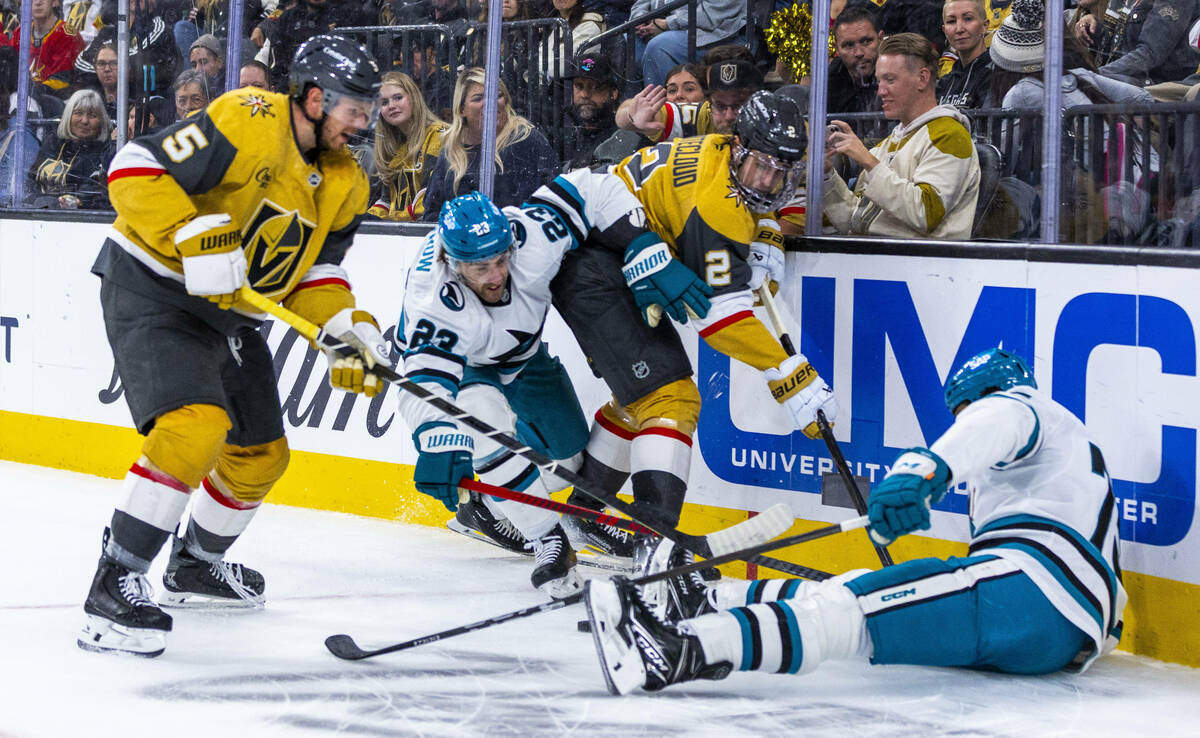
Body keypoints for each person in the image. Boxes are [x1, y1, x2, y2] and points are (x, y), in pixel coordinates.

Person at [79, 35, 389, 658]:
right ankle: (113, 586)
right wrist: (191, 233)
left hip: (231, 318)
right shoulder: (245, 117)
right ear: (313, 98)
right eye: (354, 109)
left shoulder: (347, 182)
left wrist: (345, 329)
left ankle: (194, 565)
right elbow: (133, 167)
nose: (363, 123)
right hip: (155, 287)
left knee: (261, 455)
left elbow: (316, 271)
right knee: (194, 429)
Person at [585, 347, 1127, 695]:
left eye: (962, 412)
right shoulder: (1060, 466)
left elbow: (994, 421)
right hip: (1047, 628)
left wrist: (921, 471)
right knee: (858, 594)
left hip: (1035, 592)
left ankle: (685, 649)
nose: (960, 422)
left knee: (849, 608)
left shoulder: (1020, 406)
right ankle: (711, 599)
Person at [546, 91, 837, 556]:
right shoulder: (714, 204)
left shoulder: (720, 152)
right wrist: (789, 374)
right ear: (739, 147)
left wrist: (766, 231)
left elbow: (755, 203)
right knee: (673, 399)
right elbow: (720, 317)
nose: (768, 181)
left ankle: (584, 516)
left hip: (607, 254)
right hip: (596, 262)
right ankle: (656, 545)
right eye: (762, 166)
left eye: (781, 171)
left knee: (642, 399)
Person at [395, 174, 696, 595]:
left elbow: (594, 188)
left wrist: (641, 243)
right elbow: (423, 383)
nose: (496, 276)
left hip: (524, 357)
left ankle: (488, 506)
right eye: (480, 268)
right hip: (466, 367)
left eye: (500, 260)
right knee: (484, 425)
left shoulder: (530, 236)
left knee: (567, 464)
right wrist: (437, 440)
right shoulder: (434, 301)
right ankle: (548, 540)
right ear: (452, 262)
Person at [823, 33, 981, 240]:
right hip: (878, 256)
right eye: (879, 81)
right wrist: (826, 175)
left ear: (922, 78)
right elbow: (856, 223)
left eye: (890, 80)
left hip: (922, 259)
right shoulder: (887, 144)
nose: (880, 91)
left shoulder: (950, 136)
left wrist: (869, 162)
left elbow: (924, 214)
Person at [421, 67, 559, 219]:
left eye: (496, 95)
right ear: (461, 109)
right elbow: (433, 213)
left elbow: (553, 201)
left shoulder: (527, 140)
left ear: (505, 100)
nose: (489, 103)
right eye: (478, 98)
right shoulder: (452, 151)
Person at [616, 49, 763, 142]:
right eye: (720, 105)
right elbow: (627, 113)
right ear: (709, 101)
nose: (729, 116)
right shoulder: (701, 115)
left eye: (739, 104)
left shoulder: (772, 118)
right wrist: (631, 115)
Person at [367, 70, 447, 221]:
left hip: (426, 229)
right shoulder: (391, 145)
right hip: (401, 231)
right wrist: (366, 219)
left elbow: (432, 196)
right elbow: (387, 201)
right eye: (384, 102)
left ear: (414, 98)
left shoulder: (438, 135)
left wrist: (394, 222)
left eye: (398, 98)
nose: (391, 106)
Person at [27, 87, 112, 208]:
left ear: (101, 121)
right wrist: (36, 201)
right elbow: (31, 179)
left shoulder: (104, 150)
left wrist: (77, 202)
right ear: (68, 116)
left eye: (92, 115)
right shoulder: (53, 141)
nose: (85, 121)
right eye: (78, 113)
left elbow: (94, 190)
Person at [630, 0, 746, 88]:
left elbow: (714, 14)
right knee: (629, 42)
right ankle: (631, 109)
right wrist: (641, 18)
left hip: (718, 32)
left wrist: (668, 24)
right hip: (668, 27)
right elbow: (642, 4)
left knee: (660, 45)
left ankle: (664, 110)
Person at [1084, 0, 1200, 86]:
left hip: (1155, 87)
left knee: (1081, 85)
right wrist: (1095, 31)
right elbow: (1116, 49)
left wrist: (1095, 74)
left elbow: (1150, 54)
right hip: (1126, 78)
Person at [0, 0, 85, 94]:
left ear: (55, 2)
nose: (38, 2)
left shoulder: (67, 36)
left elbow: (62, 82)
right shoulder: (20, 32)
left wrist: (31, 92)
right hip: (24, 96)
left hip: (58, 98)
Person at [562, 52, 621, 169]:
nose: (584, 94)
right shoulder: (566, 126)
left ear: (613, 92)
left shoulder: (621, 136)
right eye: (579, 86)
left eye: (595, 87)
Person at [828, 3, 883, 115]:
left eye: (866, 41)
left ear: (880, 39)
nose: (859, 53)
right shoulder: (829, 81)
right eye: (849, 45)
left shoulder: (899, 74)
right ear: (836, 48)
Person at [937, 0, 993, 108]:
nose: (959, 29)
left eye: (968, 19)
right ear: (944, 31)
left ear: (985, 26)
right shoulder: (944, 83)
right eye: (951, 21)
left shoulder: (997, 76)